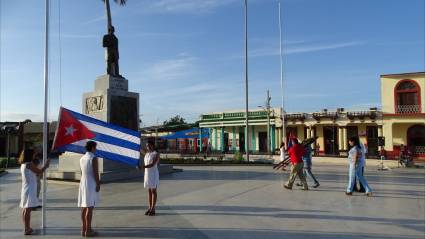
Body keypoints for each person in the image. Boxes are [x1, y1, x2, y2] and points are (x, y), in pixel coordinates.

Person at [19, 148, 50, 235]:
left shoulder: (23, 164)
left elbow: (36, 174)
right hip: (30, 189)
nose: (34, 156)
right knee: (28, 209)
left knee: (26, 209)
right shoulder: (29, 164)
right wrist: (46, 165)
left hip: (26, 187)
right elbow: (39, 171)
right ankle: (27, 228)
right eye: (33, 154)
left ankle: (27, 227)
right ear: (29, 155)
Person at [78, 141, 100, 237]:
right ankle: (88, 230)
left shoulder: (82, 158)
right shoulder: (93, 158)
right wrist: (98, 184)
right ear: (92, 148)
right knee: (90, 207)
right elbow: (95, 173)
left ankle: (84, 229)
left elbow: (81, 172)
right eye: (95, 147)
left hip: (83, 182)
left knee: (83, 207)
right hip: (91, 183)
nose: (96, 149)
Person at [142, 141, 160, 216]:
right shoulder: (147, 153)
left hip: (153, 174)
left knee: (153, 190)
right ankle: (150, 207)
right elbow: (139, 149)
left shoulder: (156, 154)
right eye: (147, 146)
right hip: (147, 174)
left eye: (149, 145)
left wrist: (142, 167)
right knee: (149, 190)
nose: (148, 147)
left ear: (153, 145)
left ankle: (153, 208)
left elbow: (152, 164)